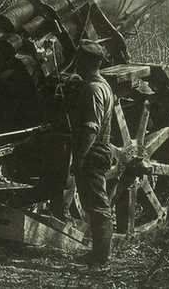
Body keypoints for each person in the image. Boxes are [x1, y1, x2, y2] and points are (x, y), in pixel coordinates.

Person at [71, 39, 115, 266]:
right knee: (94, 203)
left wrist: (78, 158)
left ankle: (101, 256)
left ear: (86, 62)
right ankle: (98, 253)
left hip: (93, 153)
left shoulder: (92, 89)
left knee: (97, 205)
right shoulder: (103, 85)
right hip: (98, 151)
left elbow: (90, 128)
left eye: (79, 60)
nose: (76, 63)